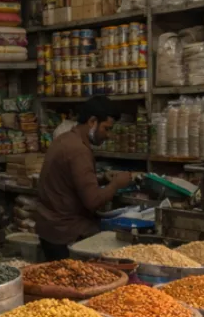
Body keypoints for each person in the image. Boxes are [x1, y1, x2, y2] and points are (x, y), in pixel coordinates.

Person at [35, 96, 133, 260]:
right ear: (92, 121)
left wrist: (101, 179)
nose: (108, 135)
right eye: (106, 129)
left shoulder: (64, 139)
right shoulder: (79, 150)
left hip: (49, 228)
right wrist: (116, 184)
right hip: (65, 233)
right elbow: (93, 201)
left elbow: (70, 180)